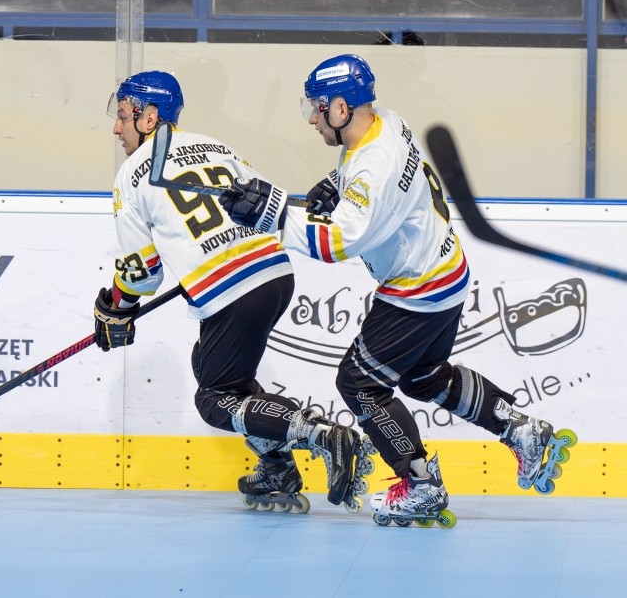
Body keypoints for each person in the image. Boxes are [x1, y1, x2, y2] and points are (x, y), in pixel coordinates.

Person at [219, 53, 575, 526]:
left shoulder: (373, 167)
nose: (311, 118)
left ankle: (421, 484)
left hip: (417, 289)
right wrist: (336, 183)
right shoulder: (386, 121)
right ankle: (521, 430)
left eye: (316, 107)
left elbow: (339, 242)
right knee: (424, 376)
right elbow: (370, 184)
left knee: (359, 383)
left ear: (341, 108)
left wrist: (275, 214)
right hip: (445, 270)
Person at [94, 70, 376, 513]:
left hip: (231, 289)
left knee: (215, 399)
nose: (116, 127)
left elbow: (142, 274)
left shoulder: (130, 175)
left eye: (124, 116)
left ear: (149, 118)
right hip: (275, 273)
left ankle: (321, 434)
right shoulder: (214, 146)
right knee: (217, 371)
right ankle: (277, 468)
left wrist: (115, 306)